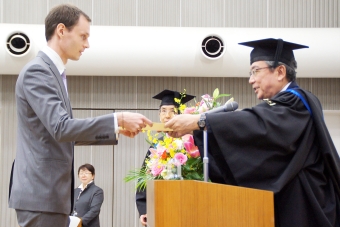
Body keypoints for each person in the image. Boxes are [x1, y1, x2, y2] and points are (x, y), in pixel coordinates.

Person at [165, 38, 340, 227]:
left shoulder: (296, 102)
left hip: (304, 203)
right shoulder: (283, 105)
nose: (251, 80)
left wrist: (199, 121)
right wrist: (199, 131)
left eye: (256, 71)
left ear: (280, 71)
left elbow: (257, 123)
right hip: (291, 199)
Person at [8, 4, 152, 227]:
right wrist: (118, 118)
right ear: (62, 30)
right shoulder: (38, 71)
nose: (87, 44)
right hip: (41, 193)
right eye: (83, 36)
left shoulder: (53, 73)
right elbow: (61, 128)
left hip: (50, 196)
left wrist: (114, 129)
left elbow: (63, 133)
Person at [135, 89, 195, 226]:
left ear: (180, 114)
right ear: (159, 114)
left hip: (187, 209)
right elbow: (143, 179)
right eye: (163, 110)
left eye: (172, 111)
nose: (167, 115)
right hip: (160, 209)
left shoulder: (192, 142)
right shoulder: (157, 145)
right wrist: (144, 210)